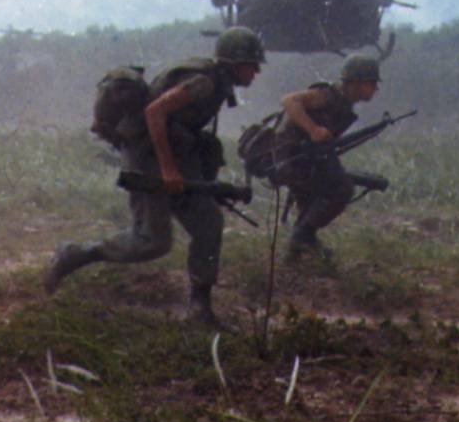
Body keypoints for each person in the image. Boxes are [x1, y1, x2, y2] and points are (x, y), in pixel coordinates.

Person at [43, 27, 265, 329]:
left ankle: (200, 309)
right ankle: (74, 254)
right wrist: (168, 169)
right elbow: (154, 112)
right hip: (149, 155)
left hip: (171, 155)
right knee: (152, 242)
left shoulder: (216, 82)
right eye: (253, 65)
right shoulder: (204, 82)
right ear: (235, 61)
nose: (255, 73)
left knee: (209, 224)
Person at [275, 54, 381, 261]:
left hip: (303, 159)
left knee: (311, 201)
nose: (375, 89)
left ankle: (293, 255)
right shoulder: (326, 95)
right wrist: (313, 129)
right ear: (356, 82)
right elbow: (289, 100)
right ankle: (302, 237)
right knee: (342, 188)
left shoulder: (343, 103)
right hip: (291, 158)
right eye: (372, 83)